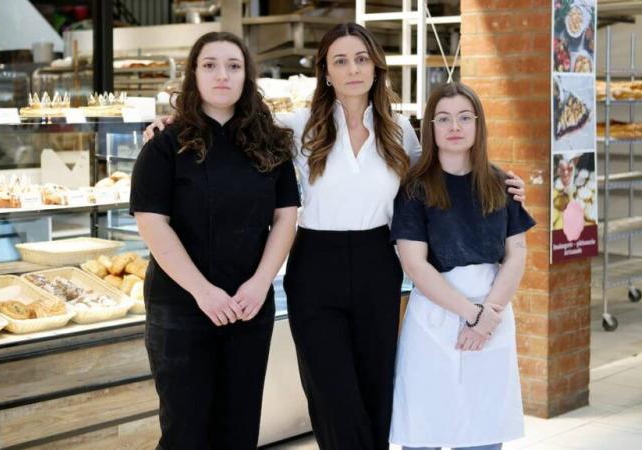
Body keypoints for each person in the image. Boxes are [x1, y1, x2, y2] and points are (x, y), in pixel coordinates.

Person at [144, 23, 526, 450]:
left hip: (378, 266)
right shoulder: (296, 126)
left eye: (361, 59)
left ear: (376, 67)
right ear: (325, 71)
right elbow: (233, 121)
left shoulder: (400, 130)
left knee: (375, 393)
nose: (352, 70)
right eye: (340, 61)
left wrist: (502, 183)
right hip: (315, 269)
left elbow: (440, 175)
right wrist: (173, 121)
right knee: (333, 399)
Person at [130, 31, 300, 450]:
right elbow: (153, 224)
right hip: (181, 308)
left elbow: (285, 218)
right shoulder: (165, 144)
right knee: (185, 432)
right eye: (209, 65)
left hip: (248, 306)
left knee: (239, 430)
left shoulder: (272, 142)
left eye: (233, 66)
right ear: (193, 74)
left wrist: (261, 283)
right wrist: (203, 292)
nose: (222, 75)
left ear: (247, 76)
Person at [389, 82, 536, 450]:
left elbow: (516, 253)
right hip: (434, 318)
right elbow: (415, 264)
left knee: (483, 434)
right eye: (444, 118)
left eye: (464, 118)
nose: (455, 126)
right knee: (424, 431)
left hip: (493, 312)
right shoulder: (415, 187)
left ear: (478, 124)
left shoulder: (501, 183)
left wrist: (488, 316)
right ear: (430, 127)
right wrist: (472, 314)